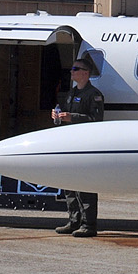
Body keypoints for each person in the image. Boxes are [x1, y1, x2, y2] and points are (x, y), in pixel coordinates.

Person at [52, 55, 105, 236]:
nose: (71, 72)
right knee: (69, 184)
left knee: (85, 185)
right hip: (69, 143)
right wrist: (58, 116)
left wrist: (72, 117)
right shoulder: (71, 93)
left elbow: (96, 119)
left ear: (85, 73)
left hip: (85, 144)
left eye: (75, 69)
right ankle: (74, 221)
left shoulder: (94, 95)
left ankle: (89, 225)